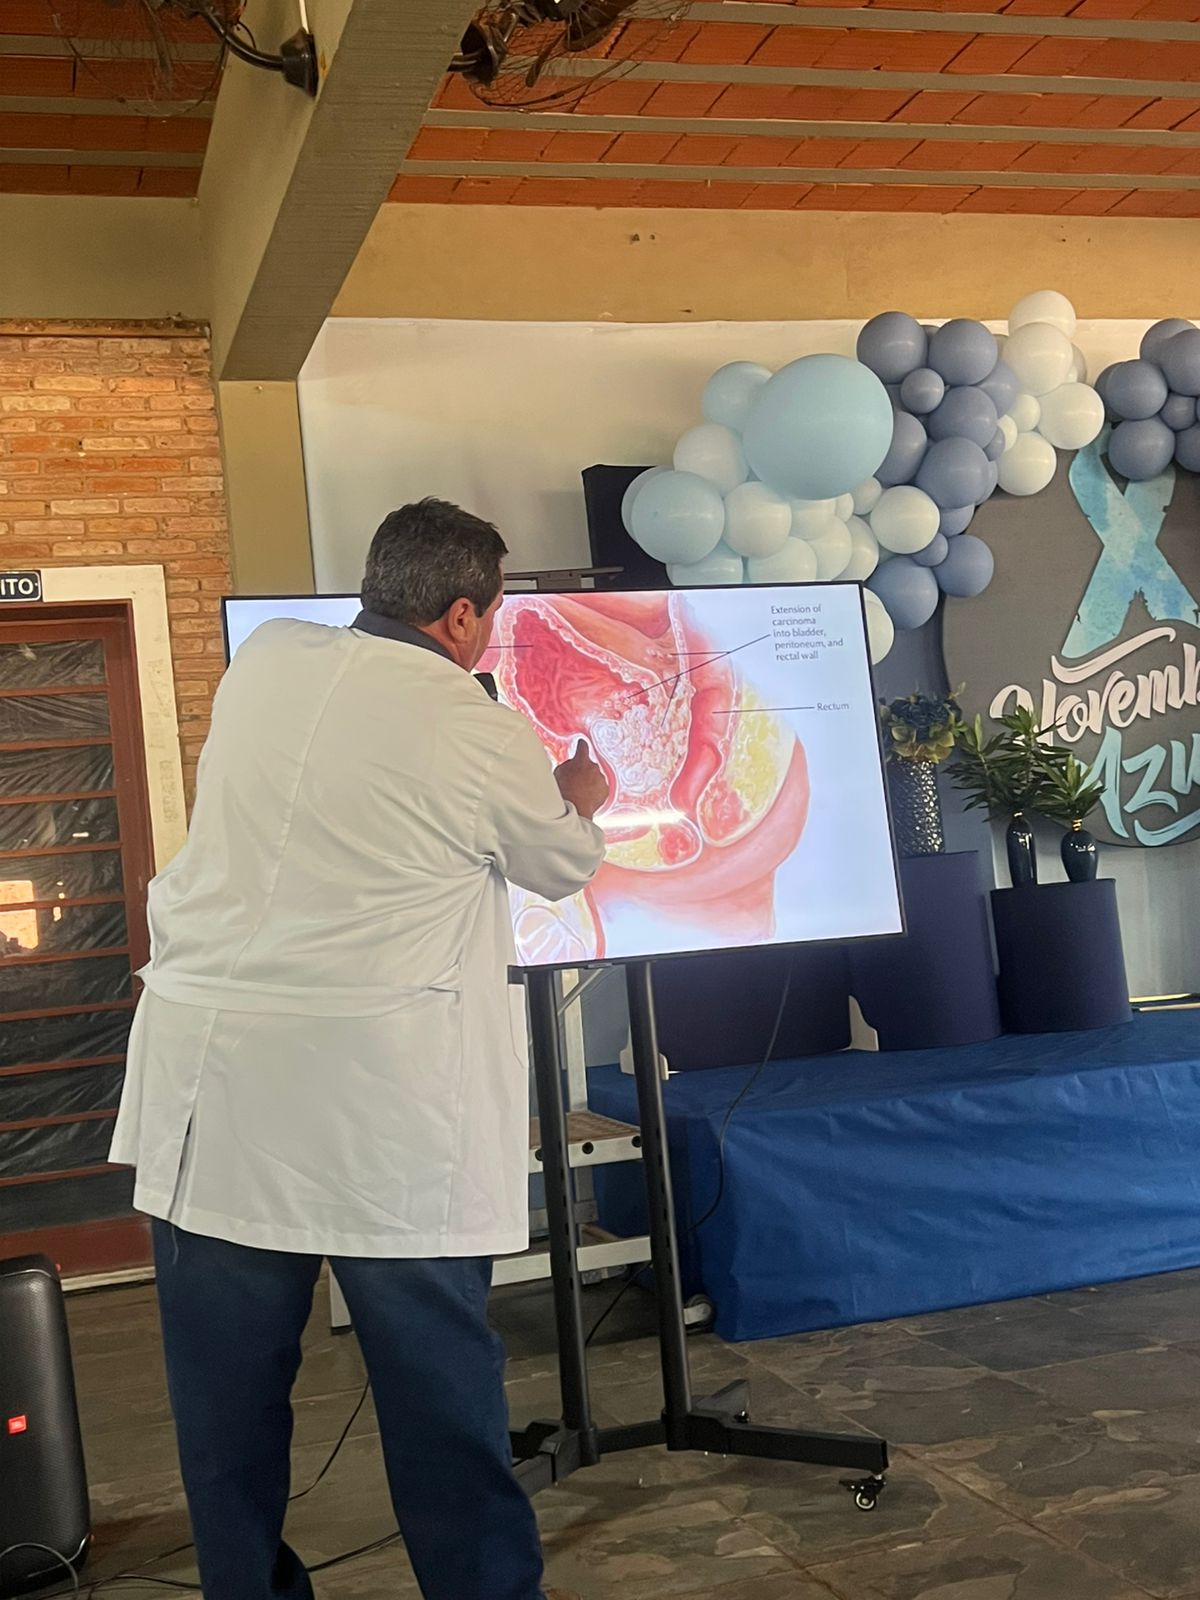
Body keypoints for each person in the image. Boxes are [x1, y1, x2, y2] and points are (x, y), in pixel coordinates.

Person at [110, 499, 609, 1600]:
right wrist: (577, 795)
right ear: (464, 616)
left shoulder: (266, 661)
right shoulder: (476, 728)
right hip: (382, 1117)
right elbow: (560, 862)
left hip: (215, 1095)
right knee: (441, 1405)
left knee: (226, 1410)